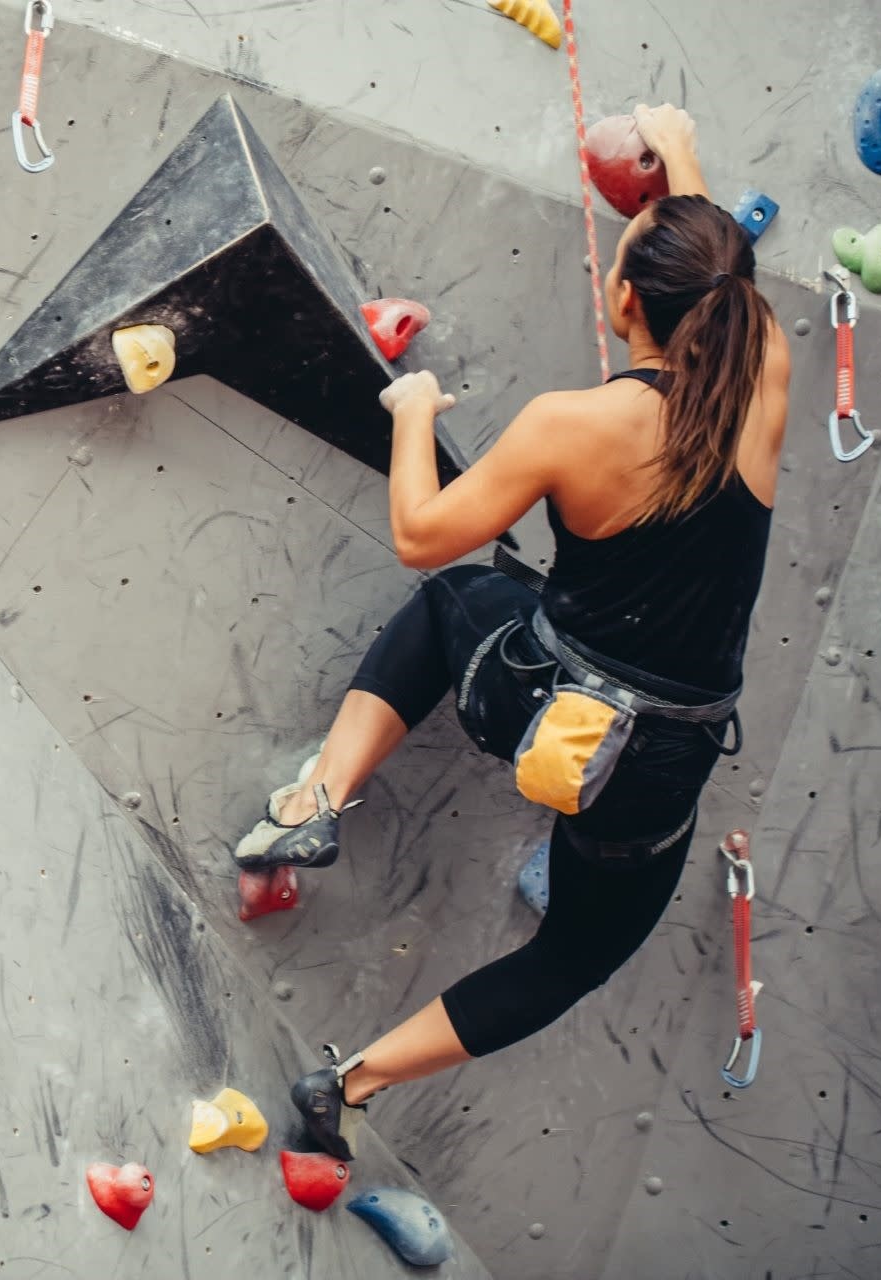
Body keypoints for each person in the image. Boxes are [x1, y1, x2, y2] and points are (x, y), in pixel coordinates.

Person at [233, 103, 791, 1162]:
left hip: (537, 695)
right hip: (655, 766)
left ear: (624, 298)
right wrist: (681, 164)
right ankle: (349, 1085)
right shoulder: (760, 381)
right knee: (574, 953)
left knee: (454, 600)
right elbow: (728, 277)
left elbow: (419, 533)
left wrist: (413, 415)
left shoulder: (569, 426)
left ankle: (313, 801)